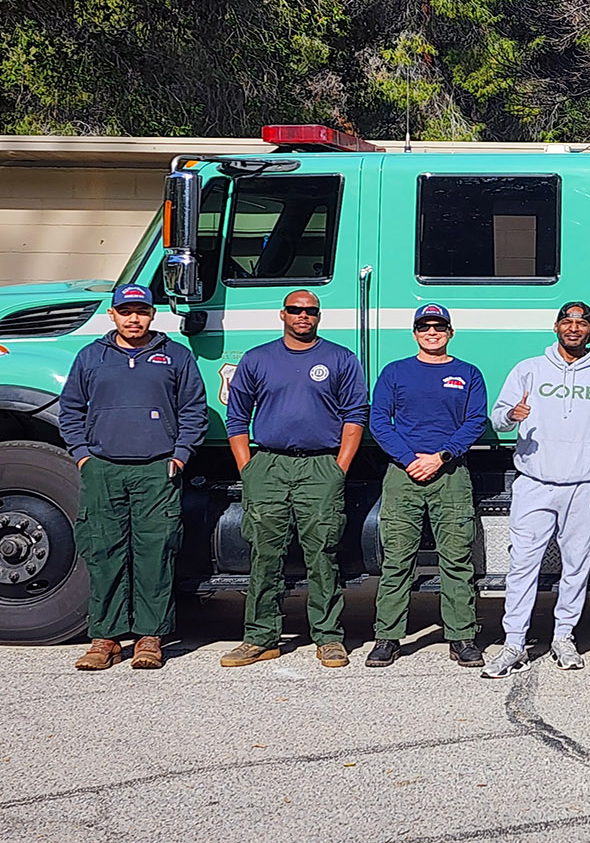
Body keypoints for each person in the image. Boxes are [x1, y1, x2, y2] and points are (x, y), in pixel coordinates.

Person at [57, 283, 208, 671]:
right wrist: (82, 455)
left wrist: (179, 456)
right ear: (113, 315)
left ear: (153, 314)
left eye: (141, 311)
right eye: (126, 311)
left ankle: (149, 637)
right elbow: (71, 408)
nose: (134, 318)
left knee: (154, 554)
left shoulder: (175, 357)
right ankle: (104, 638)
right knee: (104, 552)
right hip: (103, 469)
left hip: (157, 470)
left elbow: (193, 410)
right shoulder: (91, 357)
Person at [221, 290, 368, 668]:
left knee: (323, 553)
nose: (303, 316)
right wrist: (248, 468)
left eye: (311, 311)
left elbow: (355, 415)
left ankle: (329, 638)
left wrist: (339, 467)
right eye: (295, 310)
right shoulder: (258, 359)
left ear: (319, 316)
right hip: (268, 465)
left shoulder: (340, 358)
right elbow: (236, 417)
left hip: (320, 466)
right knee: (265, 553)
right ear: (282, 314)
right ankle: (259, 637)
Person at [481, 301, 590, 678]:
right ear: (556, 326)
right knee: (522, 565)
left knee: (576, 566)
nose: (574, 328)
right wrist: (512, 416)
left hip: (585, 484)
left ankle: (564, 636)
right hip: (535, 483)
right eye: (567, 321)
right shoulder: (528, 370)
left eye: (582, 323)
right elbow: (497, 418)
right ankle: (514, 642)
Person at [365, 304, 488, 669]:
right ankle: (387, 637)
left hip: (450, 475)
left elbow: (475, 421)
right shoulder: (395, 372)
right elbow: (379, 422)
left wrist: (441, 456)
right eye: (424, 327)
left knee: (457, 560)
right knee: (397, 560)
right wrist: (409, 458)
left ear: (450, 332)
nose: (431, 332)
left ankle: (462, 637)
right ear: (415, 332)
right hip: (404, 475)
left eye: (438, 327)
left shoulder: (467, 373)